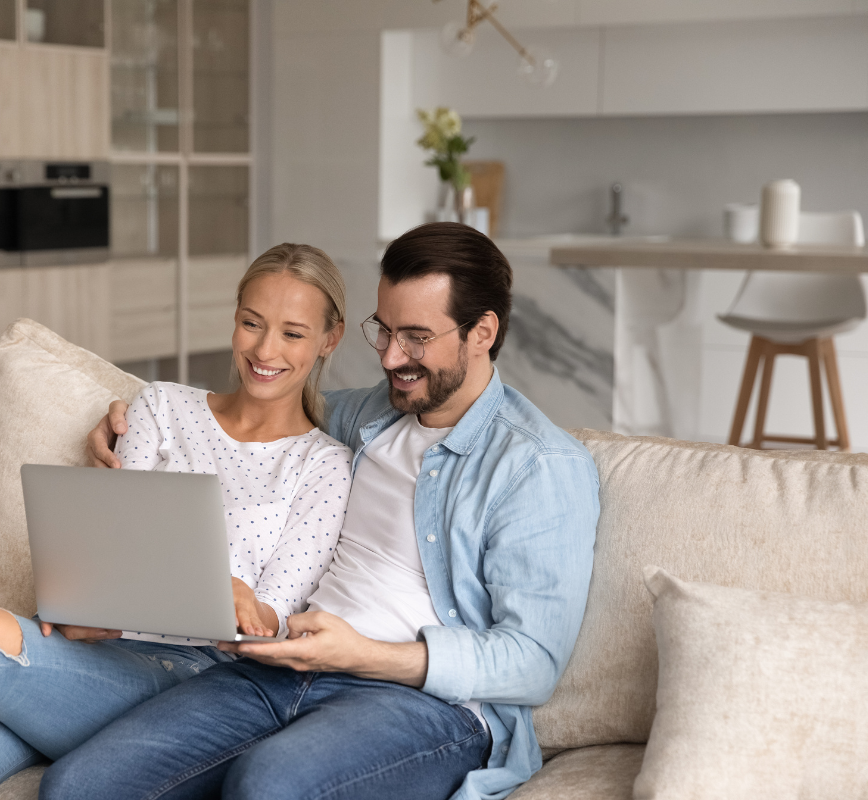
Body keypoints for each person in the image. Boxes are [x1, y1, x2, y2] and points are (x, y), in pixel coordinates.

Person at [51, 221, 600, 800]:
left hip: (421, 703)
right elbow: (249, 404)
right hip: (277, 669)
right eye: (384, 331)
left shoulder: (538, 465)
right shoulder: (364, 416)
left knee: (269, 785)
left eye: (416, 337)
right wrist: (123, 415)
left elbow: (533, 662)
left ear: (482, 332)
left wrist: (364, 655)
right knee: (77, 785)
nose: (391, 357)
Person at [0, 243, 353, 800]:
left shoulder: (324, 466)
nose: (265, 349)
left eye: (292, 333)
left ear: (329, 339)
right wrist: (81, 605)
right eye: (252, 323)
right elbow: (110, 540)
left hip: (192, 680)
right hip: (86, 651)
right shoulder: (161, 407)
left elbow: (272, 623)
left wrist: (228, 594)